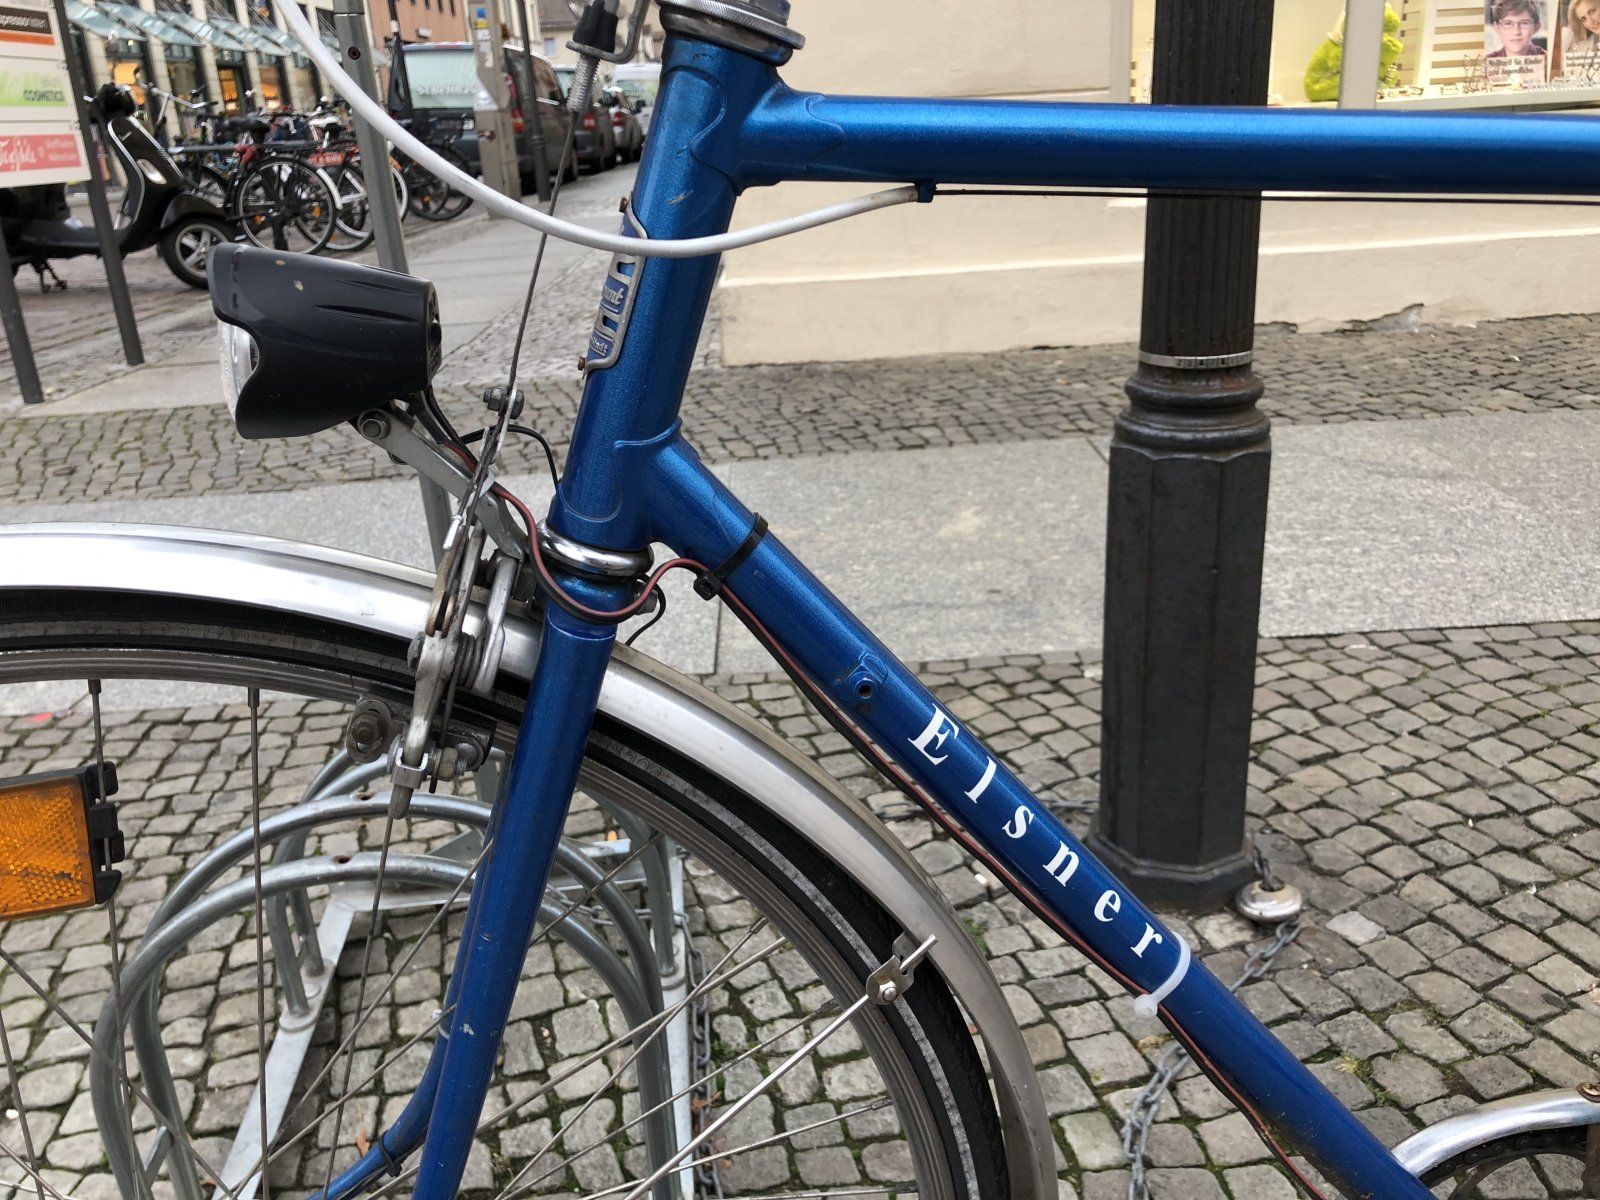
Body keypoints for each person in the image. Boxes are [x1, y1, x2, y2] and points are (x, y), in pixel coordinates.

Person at [1565, 0, 1600, 76]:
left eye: (1592, 12)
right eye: (1583, 19)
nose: (1590, 21)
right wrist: (1571, 28)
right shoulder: (1581, 49)